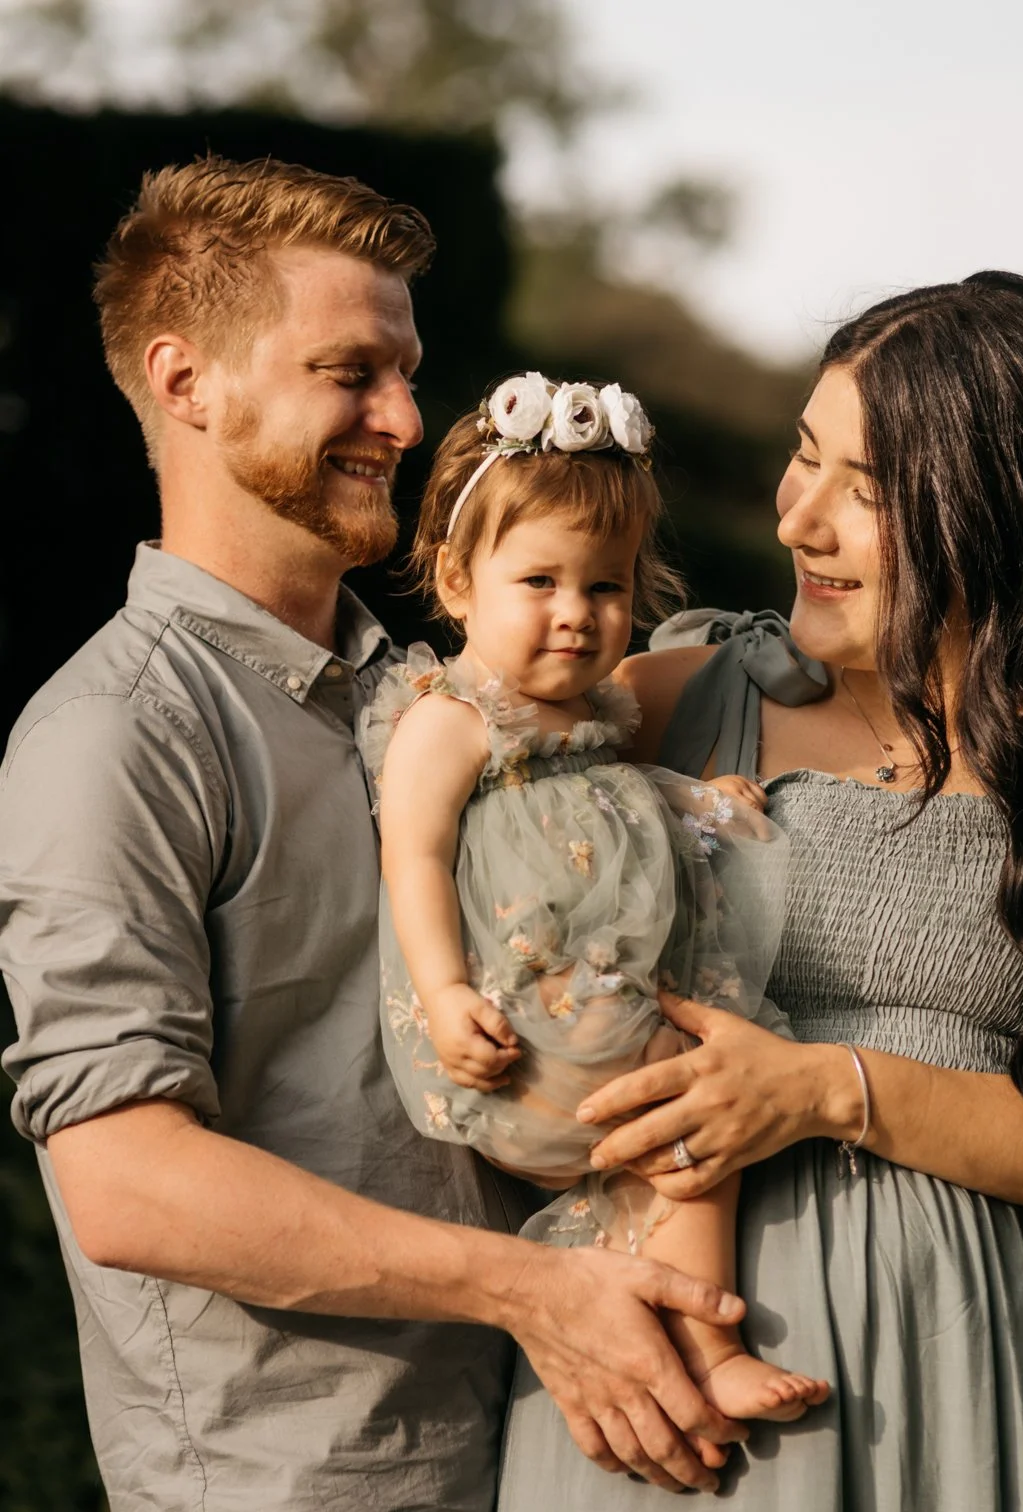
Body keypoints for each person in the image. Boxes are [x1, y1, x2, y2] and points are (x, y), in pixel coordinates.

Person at [0, 155, 749, 1512]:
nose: (405, 419)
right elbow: (126, 1183)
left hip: (539, 1453)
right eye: (351, 373)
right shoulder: (113, 734)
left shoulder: (448, 693)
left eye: (405, 373)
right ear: (185, 382)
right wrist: (535, 1292)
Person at [497, 271, 1023, 1511]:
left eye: (866, 490)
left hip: (964, 1366)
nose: (798, 521)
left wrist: (830, 1090)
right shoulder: (660, 699)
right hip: (654, 1383)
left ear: (998, 515)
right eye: (805, 457)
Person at [358, 371, 829, 1426]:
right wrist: (443, 994)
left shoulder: (598, 711)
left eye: (607, 587)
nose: (577, 615)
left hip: (601, 1000)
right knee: (690, 1117)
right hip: (521, 1019)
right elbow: (414, 856)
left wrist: (702, 800)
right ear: (457, 581)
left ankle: (691, 1340)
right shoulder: (451, 718)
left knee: (696, 1123)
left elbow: (604, 801)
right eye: (540, 581)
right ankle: (710, 1343)